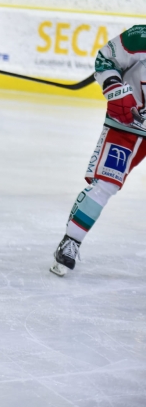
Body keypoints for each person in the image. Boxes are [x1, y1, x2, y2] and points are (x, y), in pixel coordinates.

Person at [50, 25, 146, 277]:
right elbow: (106, 58)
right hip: (128, 126)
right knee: (105, 185)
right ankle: (71, 241)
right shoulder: (140, 37)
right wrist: (117, 92)